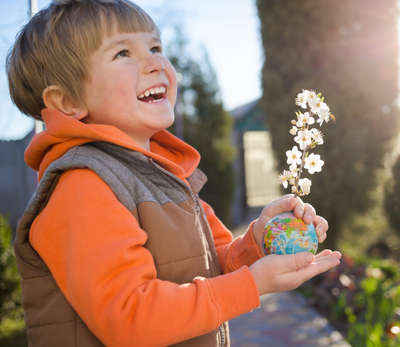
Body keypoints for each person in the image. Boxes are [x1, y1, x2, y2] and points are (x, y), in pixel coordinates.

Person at [7, 0, 342, 346]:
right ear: (66, 102)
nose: (155, 62)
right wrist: (253, 285)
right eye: (123, 53)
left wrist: (260, 240)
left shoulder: (166, 177)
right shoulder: (82, 187)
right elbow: (131, 319)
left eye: (155, 47)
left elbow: (215, 262)